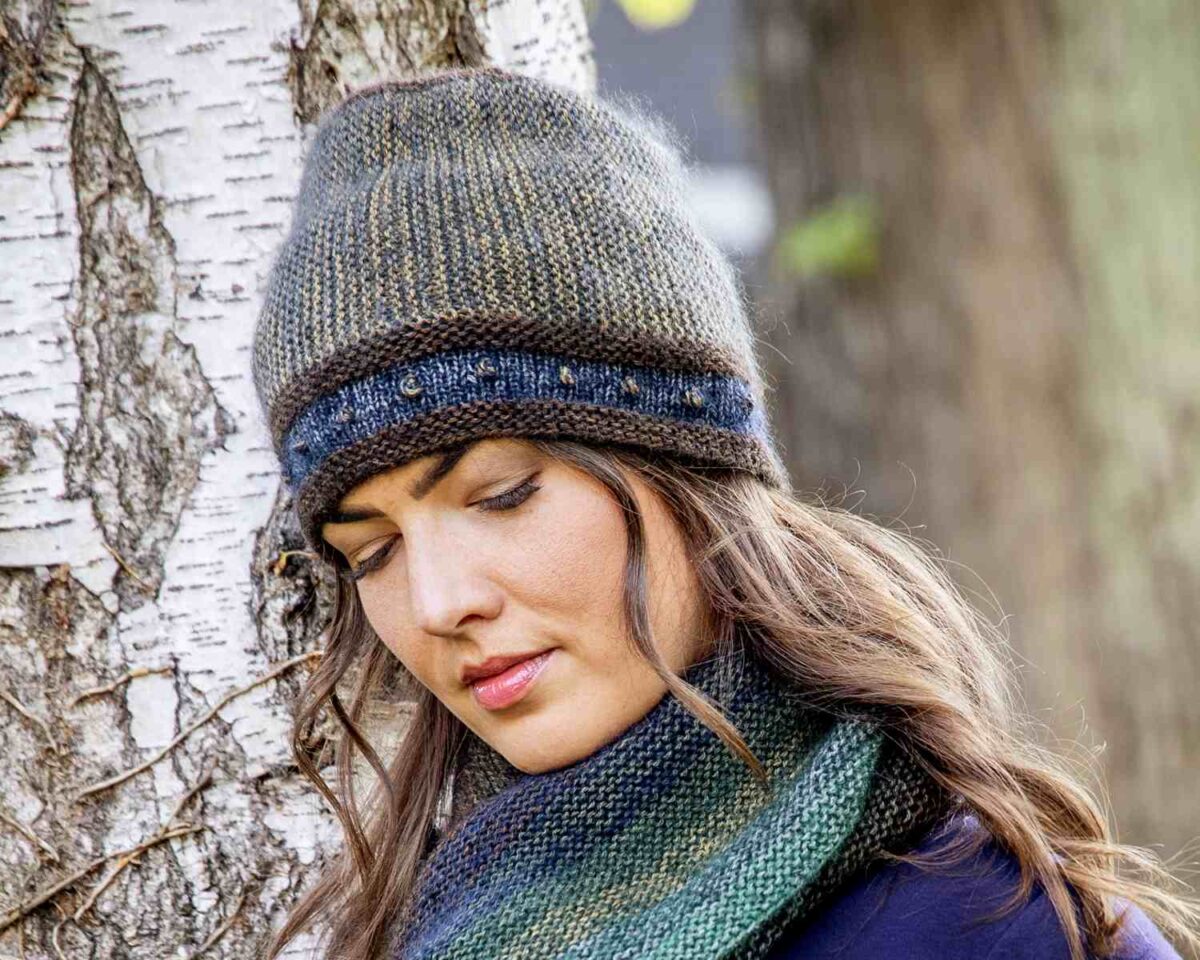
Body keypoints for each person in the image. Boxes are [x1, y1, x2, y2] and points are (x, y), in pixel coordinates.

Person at [251, 65, 1199, 960]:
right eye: (372, 551)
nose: (437, 602)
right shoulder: (434, 926)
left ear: (687, 470)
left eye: (503, 495)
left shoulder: (995, 927)